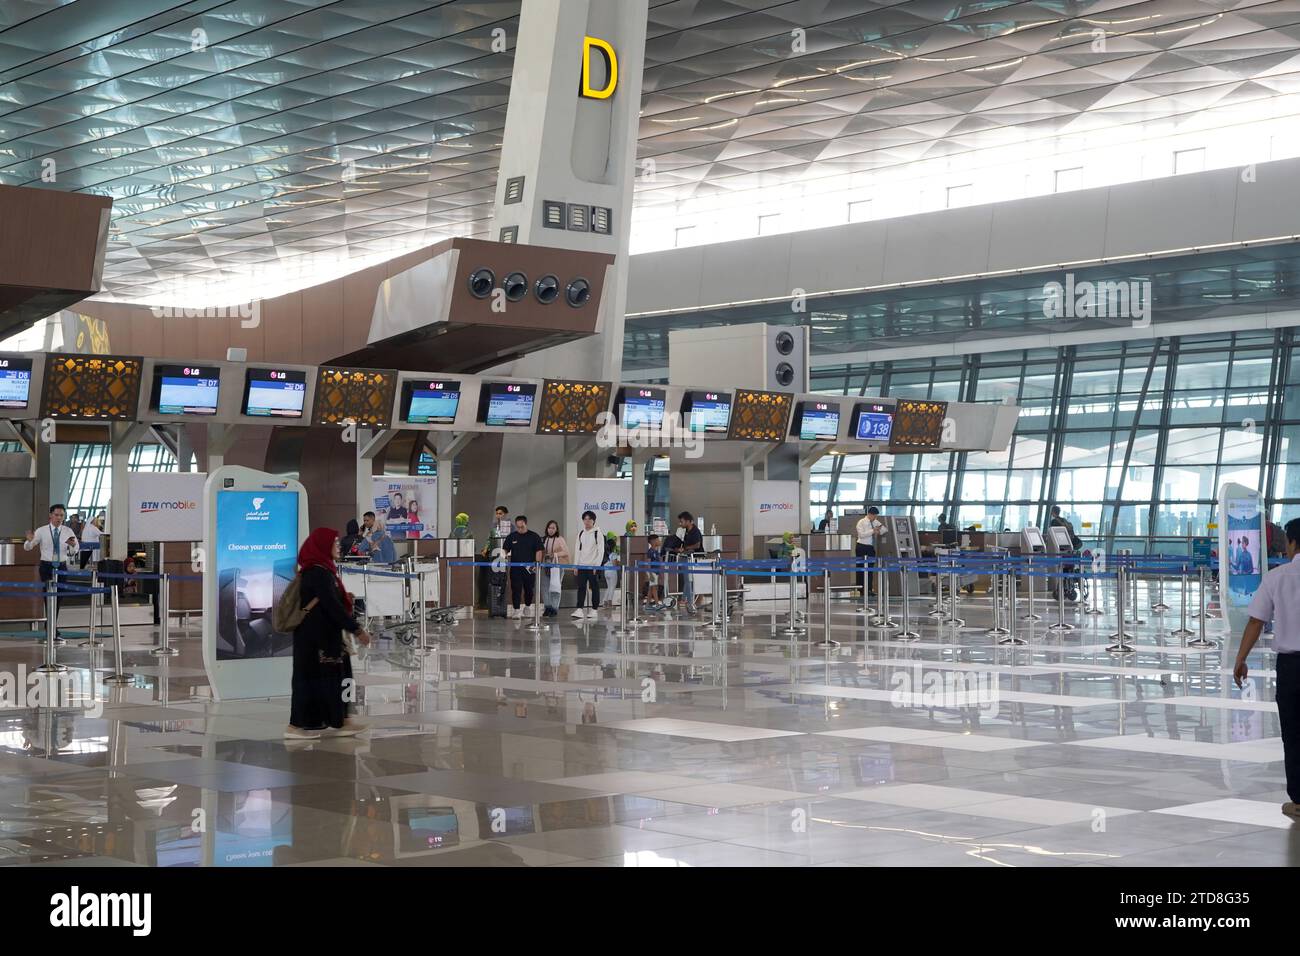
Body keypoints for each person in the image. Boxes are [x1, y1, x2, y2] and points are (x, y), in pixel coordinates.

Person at [1234, 517, 1300, 818]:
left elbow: (1255, 620)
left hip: (1291, 667)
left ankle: (1299, 800)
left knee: (1294, 731)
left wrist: (1241, 658)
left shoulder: (1277, 577)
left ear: (1292, 542)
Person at [286, 528, 372, 740]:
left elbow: (330, 602)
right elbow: (332, 606)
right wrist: (357, 629)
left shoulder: (323, 570)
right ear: (322, 546)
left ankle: (341, 720)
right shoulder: (318, 572)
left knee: (338, 677)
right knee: (311, 681)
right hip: (316, 638)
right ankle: (297, 726)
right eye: (334, 542)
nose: (338, 545)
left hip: (323, 636)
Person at [24, 504, 79, 636]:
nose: (59, 518)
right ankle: (51, 626)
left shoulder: (68, 531)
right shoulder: (42, 531)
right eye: (56, 515)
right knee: (48, 596)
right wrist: (29, 541)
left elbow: (74, 551)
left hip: (61, 566)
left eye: (62, 515)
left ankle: (51, 625)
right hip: (46, 566)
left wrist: (72, 546)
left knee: (59, 596)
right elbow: (28, 547)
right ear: (50, 515)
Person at [502, 515, 543, 619]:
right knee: (516, 589)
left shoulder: (534, 536)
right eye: (518, 527)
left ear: (526, 524)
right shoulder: (512, 536)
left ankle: (528, 606)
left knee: (529, 589)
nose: (520, 529)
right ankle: (516, 610)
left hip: (530, 569)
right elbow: (505, 549)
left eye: (522, 527)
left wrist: (537, 564)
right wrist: (503, 557)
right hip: (515, 569)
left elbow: (539, 551)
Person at [572, 510, 603, 619]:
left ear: (593, 520)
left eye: (589, 519)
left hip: (593, 566)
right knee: (581, 587)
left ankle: (594, 609)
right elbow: (577, 550)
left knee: (595, 587)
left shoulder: (597, 533)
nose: (587, 521)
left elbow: (601, 551)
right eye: (585, 519)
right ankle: (579, 609)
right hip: (581, 565)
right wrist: (575, 565)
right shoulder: (581, 533)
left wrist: (597, 566)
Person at [855, 507, 886, 596]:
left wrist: (879, 530)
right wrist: (873, 531)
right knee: (861, 568)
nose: (875, 518)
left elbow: (884, 530)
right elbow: (861, 535)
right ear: (870, 514)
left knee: (870, 569)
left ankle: (869, 589)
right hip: (861, 547)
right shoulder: (861, 522)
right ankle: (861, 590)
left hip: (870, 548)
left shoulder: (875, 522)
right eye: (874, 516)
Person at [541, 520, 569, 617]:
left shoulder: (560, 539)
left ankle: (554, 608)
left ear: (556, 529)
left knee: (555, 587)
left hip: (557, 566)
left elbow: (566, 552)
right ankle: (547, 607)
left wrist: (554, 555)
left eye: (553, 528)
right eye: (549, 528)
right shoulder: (544, 539)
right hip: (545, 566)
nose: (551, 530)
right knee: (545, 587)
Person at [602, 532, 621, 607]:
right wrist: (619, 563)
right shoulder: (613, 554)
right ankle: (610, 603)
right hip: (612, 572)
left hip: (606, 572)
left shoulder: (605, 554)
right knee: (612, 587)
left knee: (609, 587)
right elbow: (615, 564)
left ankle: (604, 602)